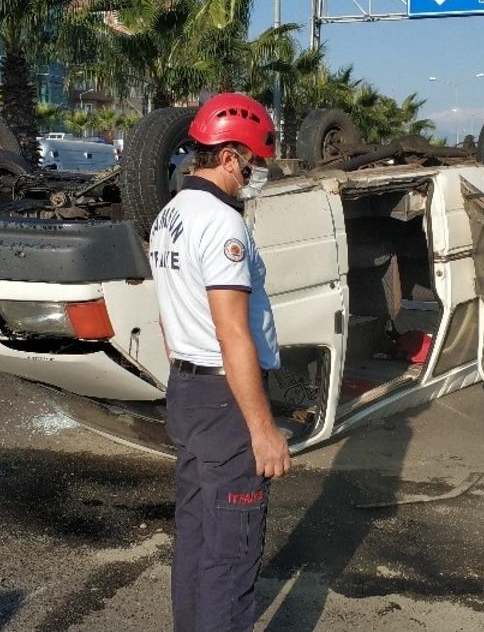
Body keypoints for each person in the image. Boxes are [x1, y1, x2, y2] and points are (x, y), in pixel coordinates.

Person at [148, 92, 289, 632]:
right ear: (230, 157)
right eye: (253, 163)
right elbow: (232, 333)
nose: (256, 176)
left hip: (186, 388)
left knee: (198, 537)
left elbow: (169, 316)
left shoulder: (170, 216)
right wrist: (263, 429)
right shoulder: (223, 225)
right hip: (224, 401)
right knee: (231, 552)